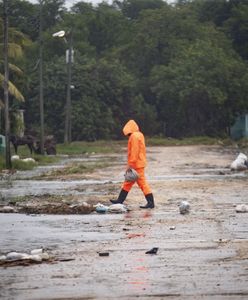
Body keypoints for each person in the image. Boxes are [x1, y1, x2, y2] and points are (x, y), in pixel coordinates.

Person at [110, 119, 155, 209]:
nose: (128, 136)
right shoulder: (139, 134)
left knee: (141, 183)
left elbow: (134, 151)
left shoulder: (134, 136)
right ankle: (120, 200)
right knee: (128, 182)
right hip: (139, 163)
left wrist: (131, 164)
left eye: (128, 134)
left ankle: (150, 202)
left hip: (136, 164)